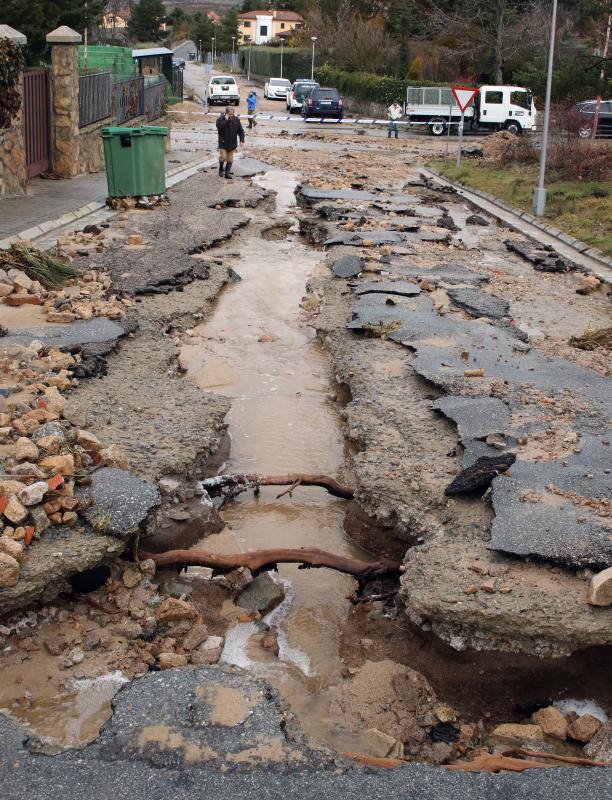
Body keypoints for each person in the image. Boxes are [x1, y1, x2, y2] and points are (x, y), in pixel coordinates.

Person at [216, 106, 245, 179]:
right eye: (230, 114)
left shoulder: (236, 120)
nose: (231, 116)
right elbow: (219, 127)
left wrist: (242, 140)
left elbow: (241, 131)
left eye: (232, 114)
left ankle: (227, 173)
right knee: (223, 157)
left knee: (230, 159)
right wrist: (225, 120)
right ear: (226, 113)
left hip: (232, 144)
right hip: (223, 143)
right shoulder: (220, 119)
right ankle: (221, 168)